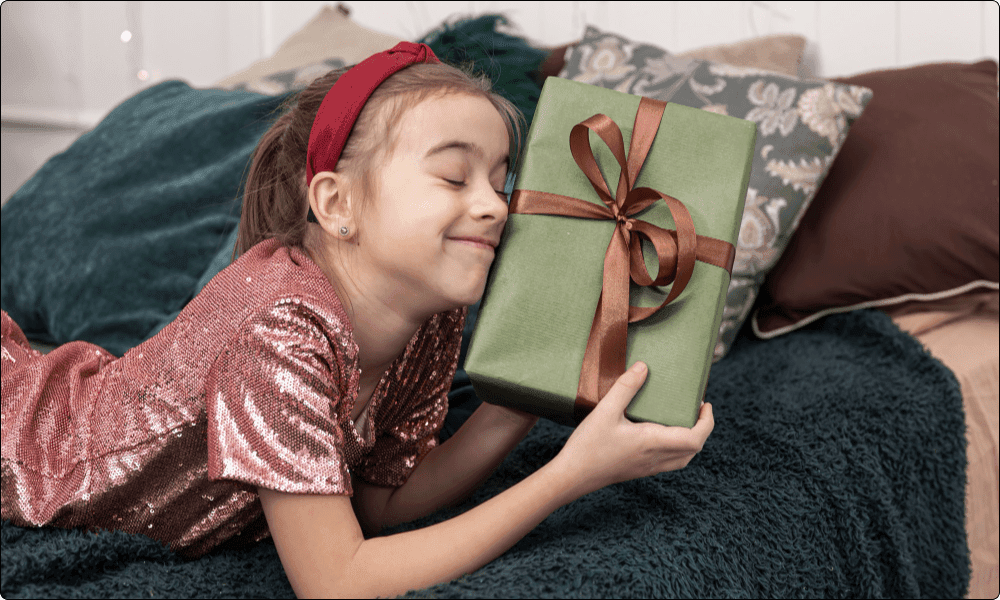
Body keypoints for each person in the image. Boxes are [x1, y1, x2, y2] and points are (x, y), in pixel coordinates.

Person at [1, 42, 714, 598]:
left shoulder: (428, 317)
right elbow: (337, 580)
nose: (497, 205)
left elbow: (378, 506)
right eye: (454, 175)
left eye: (501, 180)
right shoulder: (278, 330)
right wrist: (571, 476)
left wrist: (520, 404)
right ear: (337, 205)